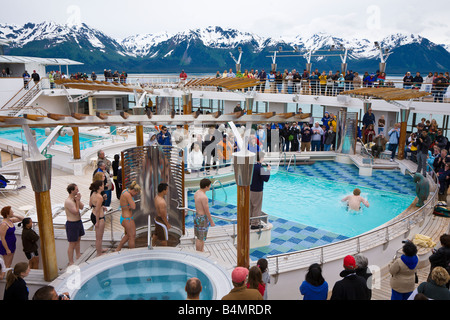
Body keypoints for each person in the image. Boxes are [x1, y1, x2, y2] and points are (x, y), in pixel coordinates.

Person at [115, 181, 141, 251]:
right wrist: (130, 204)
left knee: (130, 235)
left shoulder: (124, 191)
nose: (136, 194)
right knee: (132, 237)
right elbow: (133, 206)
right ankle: (132, 253)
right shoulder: (128, 195)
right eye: (136, 192)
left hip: (126, 217)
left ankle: (118, 248)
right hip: (127, 218)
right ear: (133, 190)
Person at [64, 184, 85, 265]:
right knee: (72, 243)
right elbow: (76, 212)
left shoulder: (74, 199)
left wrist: (78, 200)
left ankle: (78, 254)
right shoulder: (68, 201)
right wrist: (77, 201)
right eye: (76, 189)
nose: (78, 191)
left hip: (78, 222)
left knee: (78, 240)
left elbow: (82, 207)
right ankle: (71, 261)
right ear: (72, 191)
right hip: (72, 223)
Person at [194, 178, 215, 252]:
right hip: (202, 218)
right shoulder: (204, 197)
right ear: (206, 186)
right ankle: (199, 253)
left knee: (200, 237)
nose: (210, 187)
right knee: (200, 238)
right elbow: (207, 211)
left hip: (197, 216)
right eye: (209, 185)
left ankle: (201, 250)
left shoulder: (197, 192)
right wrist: (211, 221)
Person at [250, 152, 271, 229]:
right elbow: (266, 179)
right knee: (256, 207)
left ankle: (250, 221)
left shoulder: (252, 166)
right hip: (257, 191)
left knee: (251, 207)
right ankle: (255, 224)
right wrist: (268, 170)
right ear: (261, 158)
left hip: (250, 189)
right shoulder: (260, 168)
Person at [89, 180, 106, 257]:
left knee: (98, 236)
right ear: (100, 187)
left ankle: (100, 249)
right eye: (103, 185)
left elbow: (91, 204)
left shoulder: (93, 193)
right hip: (99, 217)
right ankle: (99, 253)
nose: (104, 185)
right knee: (99, 237)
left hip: (93, 214)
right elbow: (97, 210)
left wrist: (102, 206)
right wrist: (97, 222)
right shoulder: (99, 197)